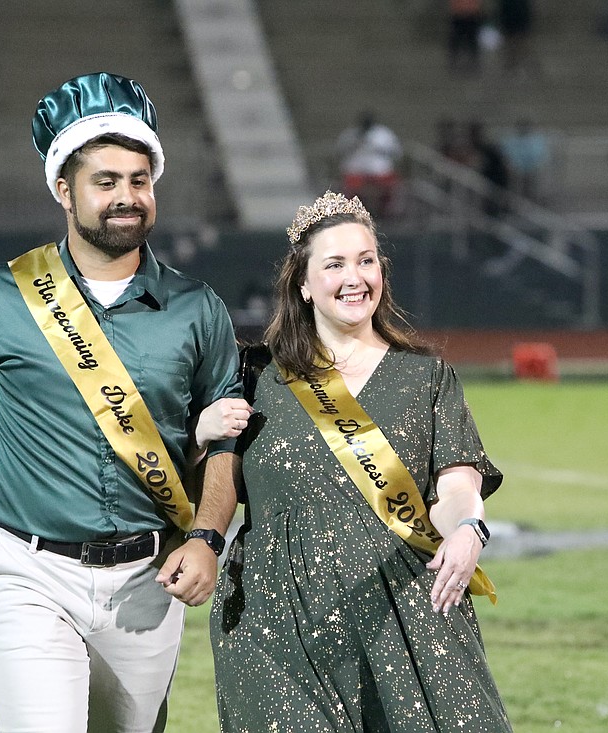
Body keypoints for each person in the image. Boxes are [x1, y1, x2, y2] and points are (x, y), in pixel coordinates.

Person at [0, 72, 245, 733]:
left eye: (140, 180)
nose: (127, 197)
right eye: (106, 181)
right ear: (64, 191)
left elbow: (225, 442)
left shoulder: (197, 309)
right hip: (25, 568)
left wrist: (208, 537)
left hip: (147, 576)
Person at [206, 191, 513, 731]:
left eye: (366, 260)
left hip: (401, 606)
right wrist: (201, 433)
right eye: (335, 264)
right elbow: (204, 486)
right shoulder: (253, 377)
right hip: (274, 619)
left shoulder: (427, 378)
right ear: (303, 284)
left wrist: (469, 528)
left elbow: (457, 488)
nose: (355, 277)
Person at [334, 110, 402, 220]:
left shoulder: (384, 134)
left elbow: (396, 152)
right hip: (356, 169)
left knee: (390, 185)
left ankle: (386, 213)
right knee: (349, 187)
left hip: (379, 170)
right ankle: (351, 213)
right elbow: (340, 152)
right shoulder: (350, 135)